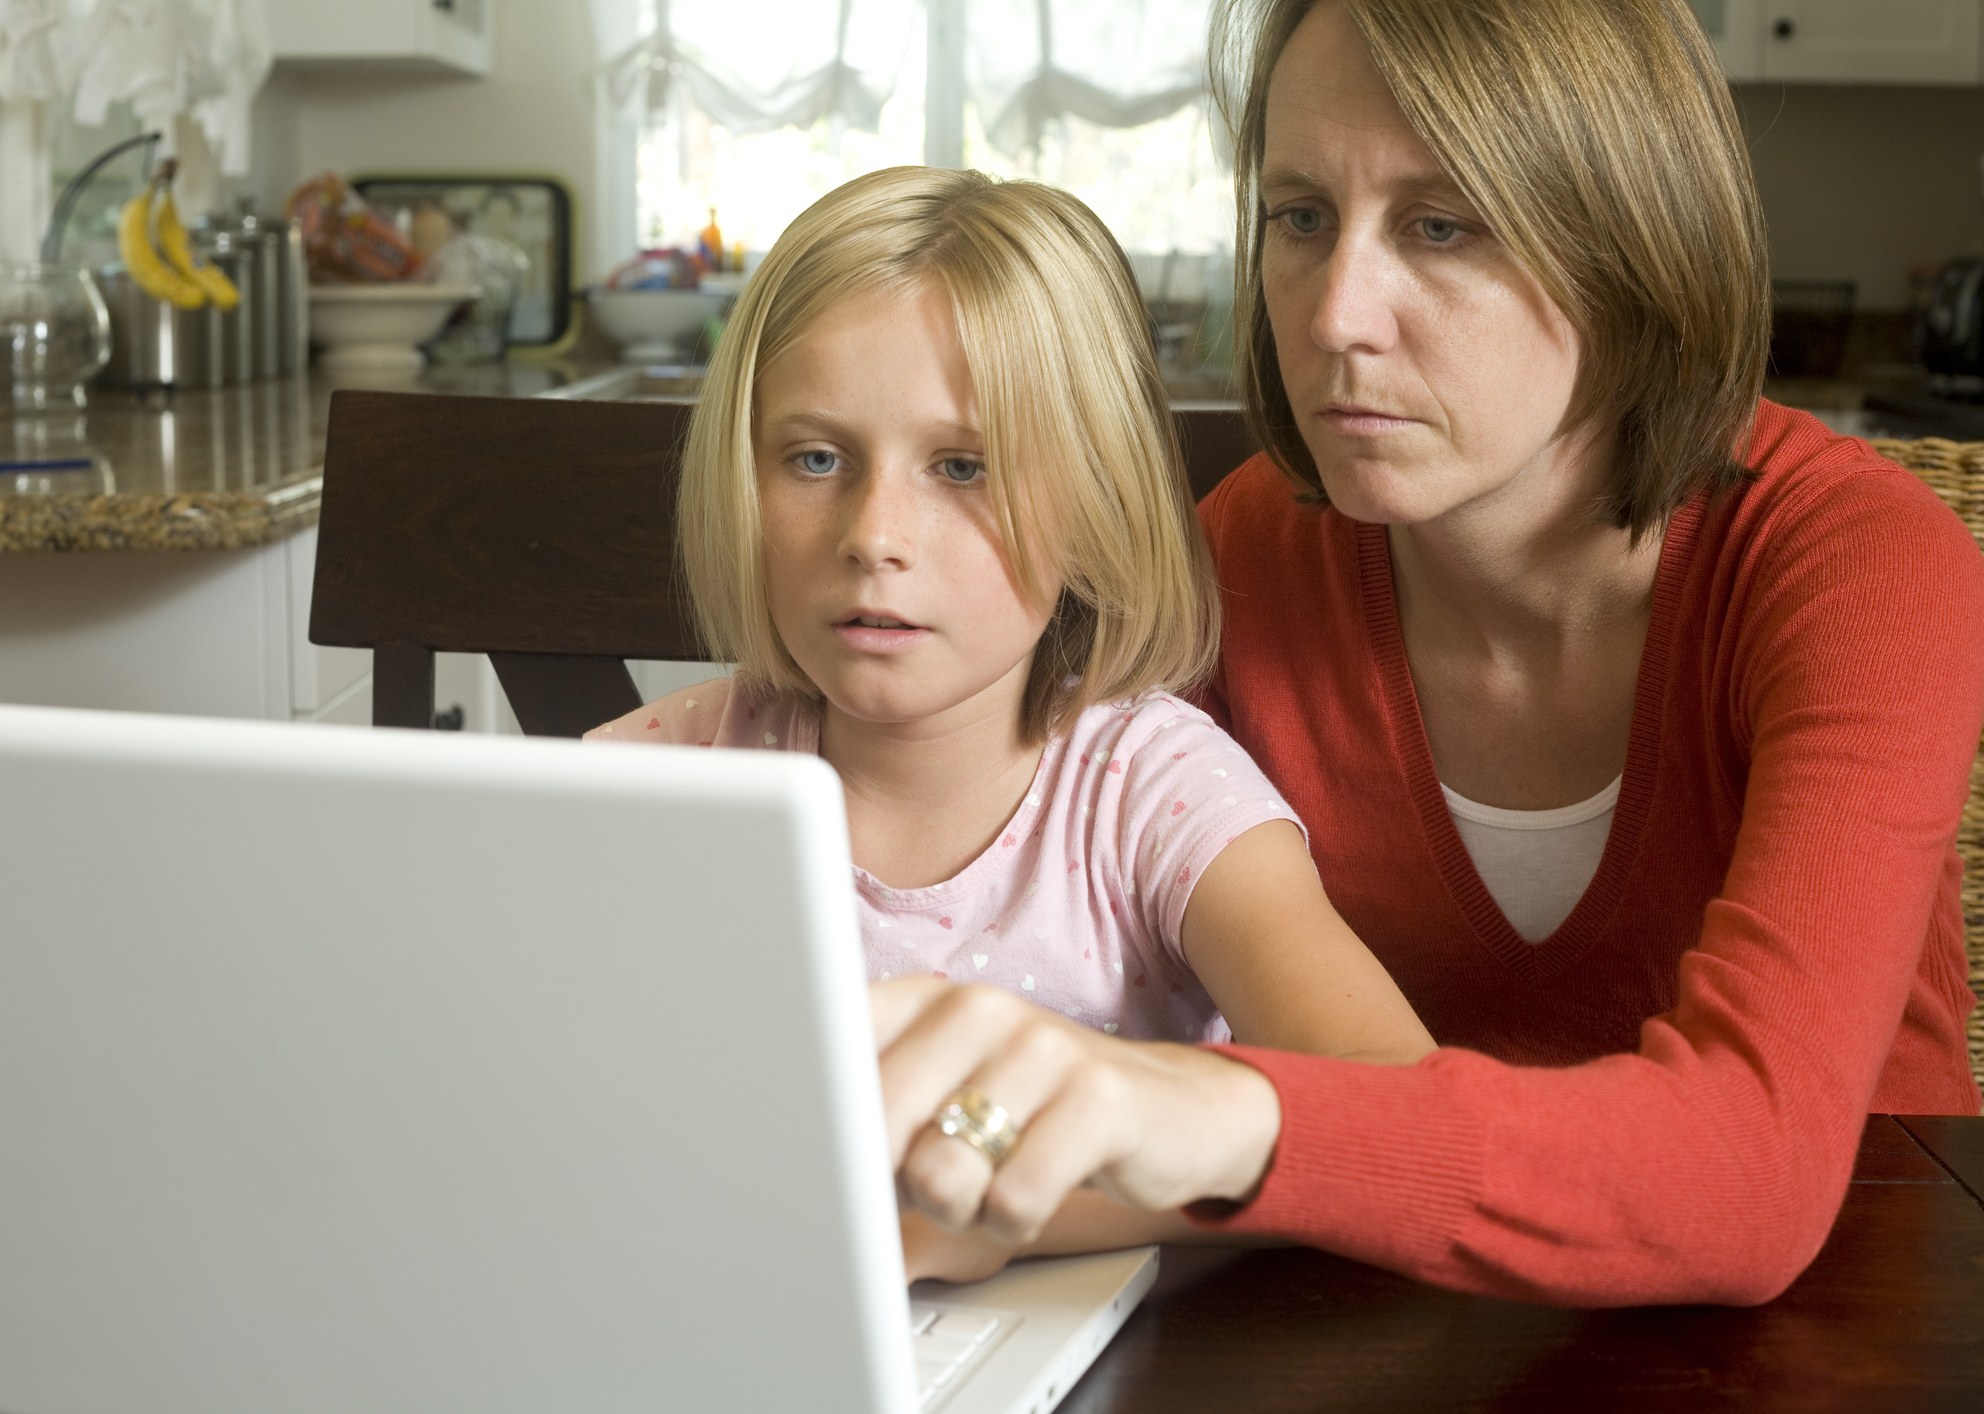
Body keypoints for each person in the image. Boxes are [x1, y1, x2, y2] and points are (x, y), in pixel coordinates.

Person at [870, 0, 1984, 1307]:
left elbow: (1752, 1170)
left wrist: (1233, 1121)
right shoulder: (1238, 559)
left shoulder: (1859, 566)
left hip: (1853, 1319)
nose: (1338, 314)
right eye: (1298, 216)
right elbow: (1038, 900)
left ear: (1629, 244)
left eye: (1439, 225)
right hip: (1395, 1315)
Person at [588, 165, 1435, 1266]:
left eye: (962, 466)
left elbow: (1396, 1117)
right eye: (814, 458)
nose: (873, 533)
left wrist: (989, 1224)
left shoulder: (1154, 793)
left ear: (1092, 503)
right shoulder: (658, 779)